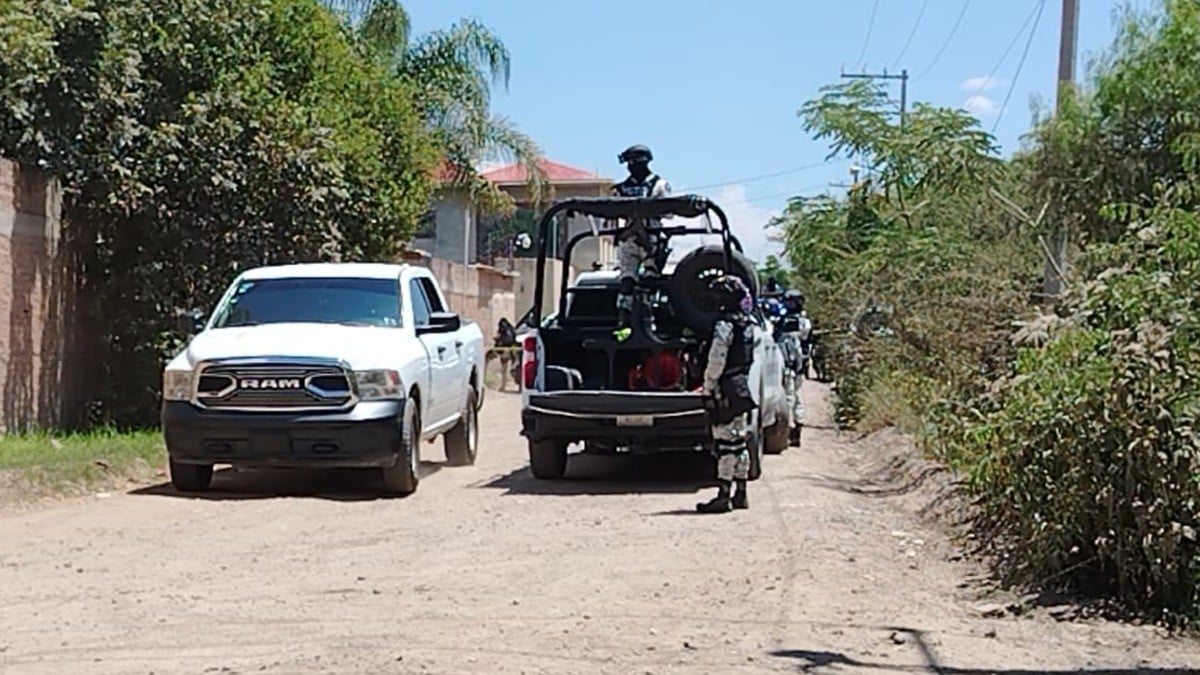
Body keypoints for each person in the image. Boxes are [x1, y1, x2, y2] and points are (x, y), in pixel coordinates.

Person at [696, 274, 757, 514]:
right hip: (741, 385)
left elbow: (716, 359)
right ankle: (741, 493)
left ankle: (723, 495)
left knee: (724, 443)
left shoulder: (725, 325)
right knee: (739, 440)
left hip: (726, 386)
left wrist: (708, 386)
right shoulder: (748, 324)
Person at [611, 144, 671, 339]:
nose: (630, 168)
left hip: (652, 239)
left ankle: (651, 318)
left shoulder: (659, 185)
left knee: (651, 280)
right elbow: (612, 212)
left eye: (633, 163)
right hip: (629, 238)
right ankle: (623, 319)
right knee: (626, 280)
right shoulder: (621, 189)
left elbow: (668, 213)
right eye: (629, 164)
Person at [778, 289, 811, 444]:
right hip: (792, 364)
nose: (787, 304)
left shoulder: (802, 322)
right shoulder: (784, 320)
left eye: (790, 301)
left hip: (792, 365)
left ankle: (793, 430)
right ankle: (794, 429)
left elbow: (803, 340)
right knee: (793, 396)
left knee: (791, 397)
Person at [494, 318, 519, 390]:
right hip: (512, 350)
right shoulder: (511, 330)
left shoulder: (501, 331)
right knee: (513, 368)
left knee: (504, 370)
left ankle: (503, 386)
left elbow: (498, 340)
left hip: (504, 351)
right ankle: (509, 384)